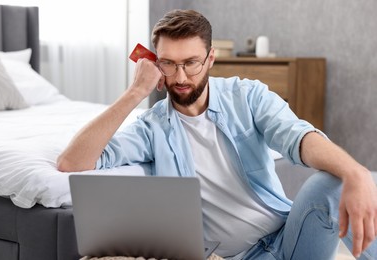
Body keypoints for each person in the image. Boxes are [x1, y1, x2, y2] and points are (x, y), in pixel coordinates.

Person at [58, 9, 377, 260]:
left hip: (289, 238)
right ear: (156, 63)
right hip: (235, 257)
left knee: (334, 182)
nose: (180, 77)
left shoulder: (248, 96)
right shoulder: (152, 127)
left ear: (210, 59)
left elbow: (298, 138)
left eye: (191, 63)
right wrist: (134, 92)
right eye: (168, 64)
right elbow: (72, 162)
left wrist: (357, 173)